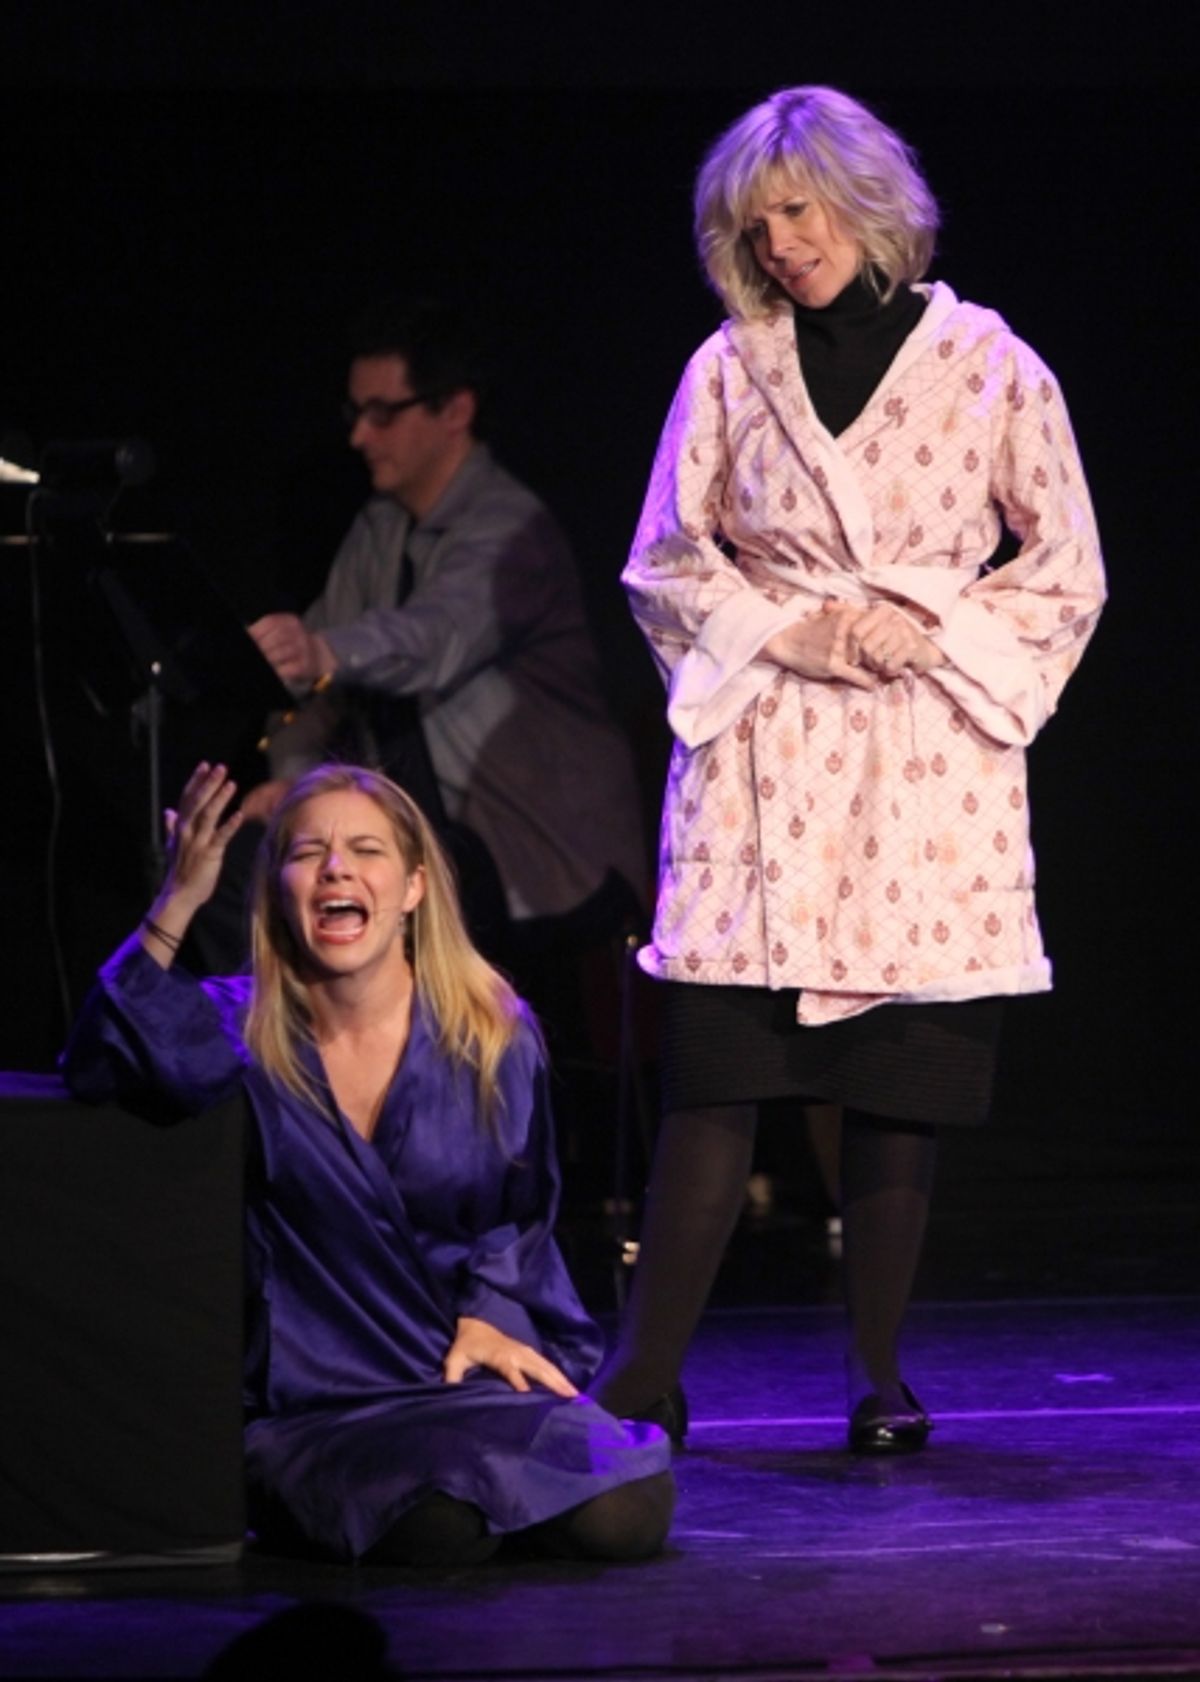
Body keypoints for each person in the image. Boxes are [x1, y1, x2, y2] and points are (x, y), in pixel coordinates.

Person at [592, 86, 1105, 1454]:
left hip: (924, 760)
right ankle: (642, 1383)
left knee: (892, 1084)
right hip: (768, 744)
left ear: (868, 205)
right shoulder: (726, 370)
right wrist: (793, 625)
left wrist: (927, 621)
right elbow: (665, 559)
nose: (780, 246)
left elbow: (1063, 570)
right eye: (757, 226)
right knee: (719, 1069)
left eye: (799, 214)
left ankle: (881, 1374)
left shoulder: (992, 365)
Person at [62, 761, 674, 1565]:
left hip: (459, 1368)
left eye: (365, 850)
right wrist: (177, 900)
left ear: (414, 888)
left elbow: (519, 1215)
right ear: (279, 888)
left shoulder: (488, 1034)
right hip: (321, 1399)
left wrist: (496, 1313)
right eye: (307, 852)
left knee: (622, 1513)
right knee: (436, 1533)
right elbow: (99, 1062)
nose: (336, 869)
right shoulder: (237, 1029)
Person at [243, 298, 647, 1034]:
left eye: (383, 413)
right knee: (270, 869)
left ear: (454, 410)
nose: (361, 436)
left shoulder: (511, 528)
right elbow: (312, 694)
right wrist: (290, 783)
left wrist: (325, 650)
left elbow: (432, 640)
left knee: (409, 883)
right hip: (434, 845)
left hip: (536, 857)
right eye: (355, 413)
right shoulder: (377, 530)